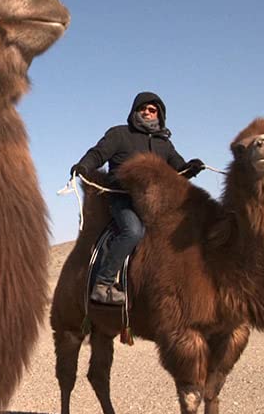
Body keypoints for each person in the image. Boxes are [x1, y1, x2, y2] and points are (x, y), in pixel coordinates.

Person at [70, 91, 205, 305]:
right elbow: (98, 154)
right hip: (122, 199)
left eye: (152, 110)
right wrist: (84, 166)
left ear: (159, 115)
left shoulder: (164, 144)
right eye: (143, 109)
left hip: (155, 205)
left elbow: (178, 169)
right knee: (133, 231)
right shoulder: (119, 134)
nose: (147, 112)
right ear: (135, 111)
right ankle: (103, 284)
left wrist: (192, 168)